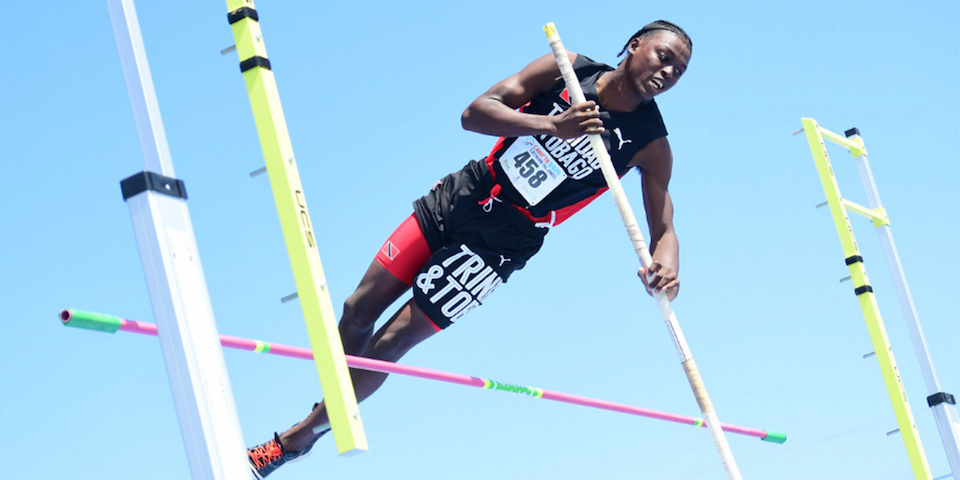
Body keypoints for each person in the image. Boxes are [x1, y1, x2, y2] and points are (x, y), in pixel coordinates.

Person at [247, 19, 692, 478]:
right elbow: (474, 114)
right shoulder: (567, 70)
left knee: (391, 343)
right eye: (664, 56)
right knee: (357, 309)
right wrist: (551, 125)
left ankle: (299, 437)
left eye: (679, 70)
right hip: (466, 192)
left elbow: (664, 229)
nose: (669, 71)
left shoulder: (651, 144)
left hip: (504, 240)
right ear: (635, 45)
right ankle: (332, 409)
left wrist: (667, 266)